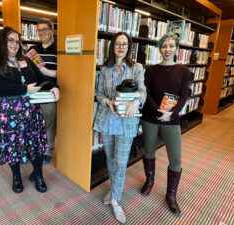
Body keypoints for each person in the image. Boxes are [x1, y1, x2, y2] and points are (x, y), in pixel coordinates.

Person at [0, 27, 60, 194]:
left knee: (35, 143)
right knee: (13, 145)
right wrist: (23, 89)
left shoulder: (26, 60)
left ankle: (38, 175)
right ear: (2, 41)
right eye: (10, 40)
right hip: (6, 113)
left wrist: (53, 86)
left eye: (17, 41)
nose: (14, 44)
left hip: (31, 112)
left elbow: (41, 78)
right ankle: (16, 176)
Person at [93, 32, 146, 224]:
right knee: (110, 158)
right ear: (112, 46)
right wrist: (107, 102)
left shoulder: (137, 68)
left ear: (129, 46)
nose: (121, 46)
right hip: (109, 119)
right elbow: (98, 93)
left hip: (127, 121)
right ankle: (114, 190)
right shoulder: (105, 69)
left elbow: (143, 91)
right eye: (117, 43)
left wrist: (135, 101)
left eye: (124, 43)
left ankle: (115, 199)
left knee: (121, 163)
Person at [140, 32, 189, 216]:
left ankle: (171, 195)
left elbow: (184, 95)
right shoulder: (151, 70)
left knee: (175, 158)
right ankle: (149, 182)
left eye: (171, 46)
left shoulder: (183, 70)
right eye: (164, 46)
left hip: (172, 119)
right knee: (149, 151)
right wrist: (160, 111)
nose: (167, 49)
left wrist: (171, 113)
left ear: (176, 48)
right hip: (150, 117)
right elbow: (147, 94)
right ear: (159, 49)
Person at [27, 18, 57, 164]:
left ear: (51, 30)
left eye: (45, 29)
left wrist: (47, 72)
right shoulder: (32, 50)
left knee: (49, 123)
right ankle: (34, 148)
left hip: (50, 93)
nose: (42, 33)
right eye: (39, 30)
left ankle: (48, 150)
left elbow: (65, 72)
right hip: (33, 92)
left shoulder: (58, 49)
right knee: (32, 122)